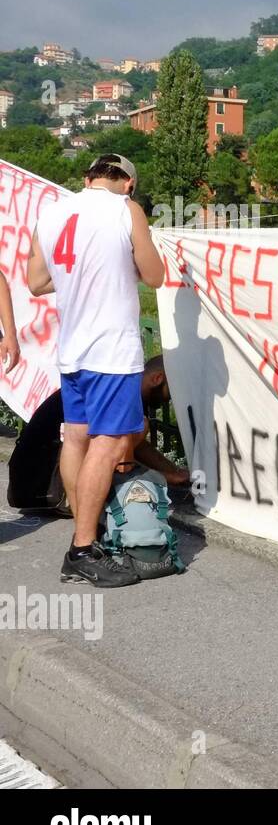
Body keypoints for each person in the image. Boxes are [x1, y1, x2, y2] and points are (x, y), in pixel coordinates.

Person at [27, 153, 165, 588]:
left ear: (87, 178)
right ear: (128, 183)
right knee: (107, 445)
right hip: (111, 351)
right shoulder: (127, 210)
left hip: (73, 351)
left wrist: (78, 276)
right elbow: (155, 275)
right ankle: (83, 549)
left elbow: (35, 283)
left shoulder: (51, 213)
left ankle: (83, 528)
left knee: (77, 437)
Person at [8, 354, 189, 511]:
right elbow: (118, 452)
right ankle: (83, 504)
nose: (170, 401)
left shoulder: (113, 388)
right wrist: (164, 477)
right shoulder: (122, 396)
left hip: (29, 485)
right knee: (136, 429)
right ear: (157, 378)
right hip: (43, 486)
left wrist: (174, 472)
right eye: (172, 392)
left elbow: (137, 446)